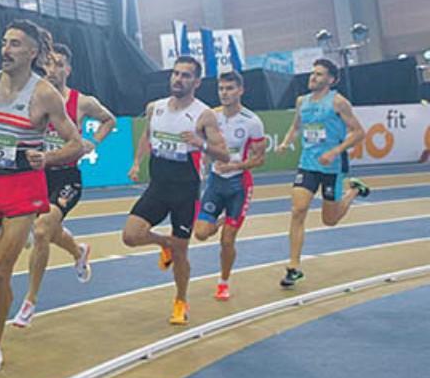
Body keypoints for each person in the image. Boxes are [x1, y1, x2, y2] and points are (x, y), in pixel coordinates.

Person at [0, 21, 84, 373]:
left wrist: (49, 158)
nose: (6, 49)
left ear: (33, 53)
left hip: (23, 188)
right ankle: (3, 240)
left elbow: (76, 143)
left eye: (16, 44)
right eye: (4, 42)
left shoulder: (44, 95)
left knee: (0, 274)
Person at [12, 42, 115, 327]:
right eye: (48, 63)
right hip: (37, 175)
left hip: (67, 178)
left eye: (58, 64)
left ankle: (29, 302)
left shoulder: (82, 102)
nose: (52, 69)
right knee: (48, 231)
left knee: (42, 229)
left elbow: (109, 120)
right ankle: (78, 251)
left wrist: (92, 142)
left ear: (68, 69)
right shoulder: (34, 97)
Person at [123, 56, 230, 325]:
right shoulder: (155, 108)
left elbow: (224, 154)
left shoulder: (204, 114)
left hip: (185, 190)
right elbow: (147, 136)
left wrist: (200, 143)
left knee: (182, 253)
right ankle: (164, 243)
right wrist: (137, 162)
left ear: (196, 81)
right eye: (175, 74)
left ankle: (181, 300)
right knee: (130, 236)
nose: (178, 79)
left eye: (185, 75)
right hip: (158, 186)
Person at [277, 58, 369, 288]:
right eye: (312, 73)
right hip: (307, 164)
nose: (313, 77)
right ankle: (294, 266)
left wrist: (335, 151)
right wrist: (286, 142)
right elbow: (296, 126)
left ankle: (353, 191)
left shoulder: (338, 102)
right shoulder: (302, 101)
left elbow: (359, 132)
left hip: (331, 167)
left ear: (331, 79)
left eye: (319, 74)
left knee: (330, 220)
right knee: (298, 210)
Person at [189, 71, 267, 300]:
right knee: (201, 233)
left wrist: (236, 166)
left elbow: (260, 159)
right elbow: (201, 143)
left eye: (230, 88)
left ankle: (223, 281)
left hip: (239, 185)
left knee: (227, 240)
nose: (225, 93)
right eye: (221, 89)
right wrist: (204, 161)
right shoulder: (210, 116)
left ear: (240, 90)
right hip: (215, 182)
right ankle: (222, 219)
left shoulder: (252, 122)